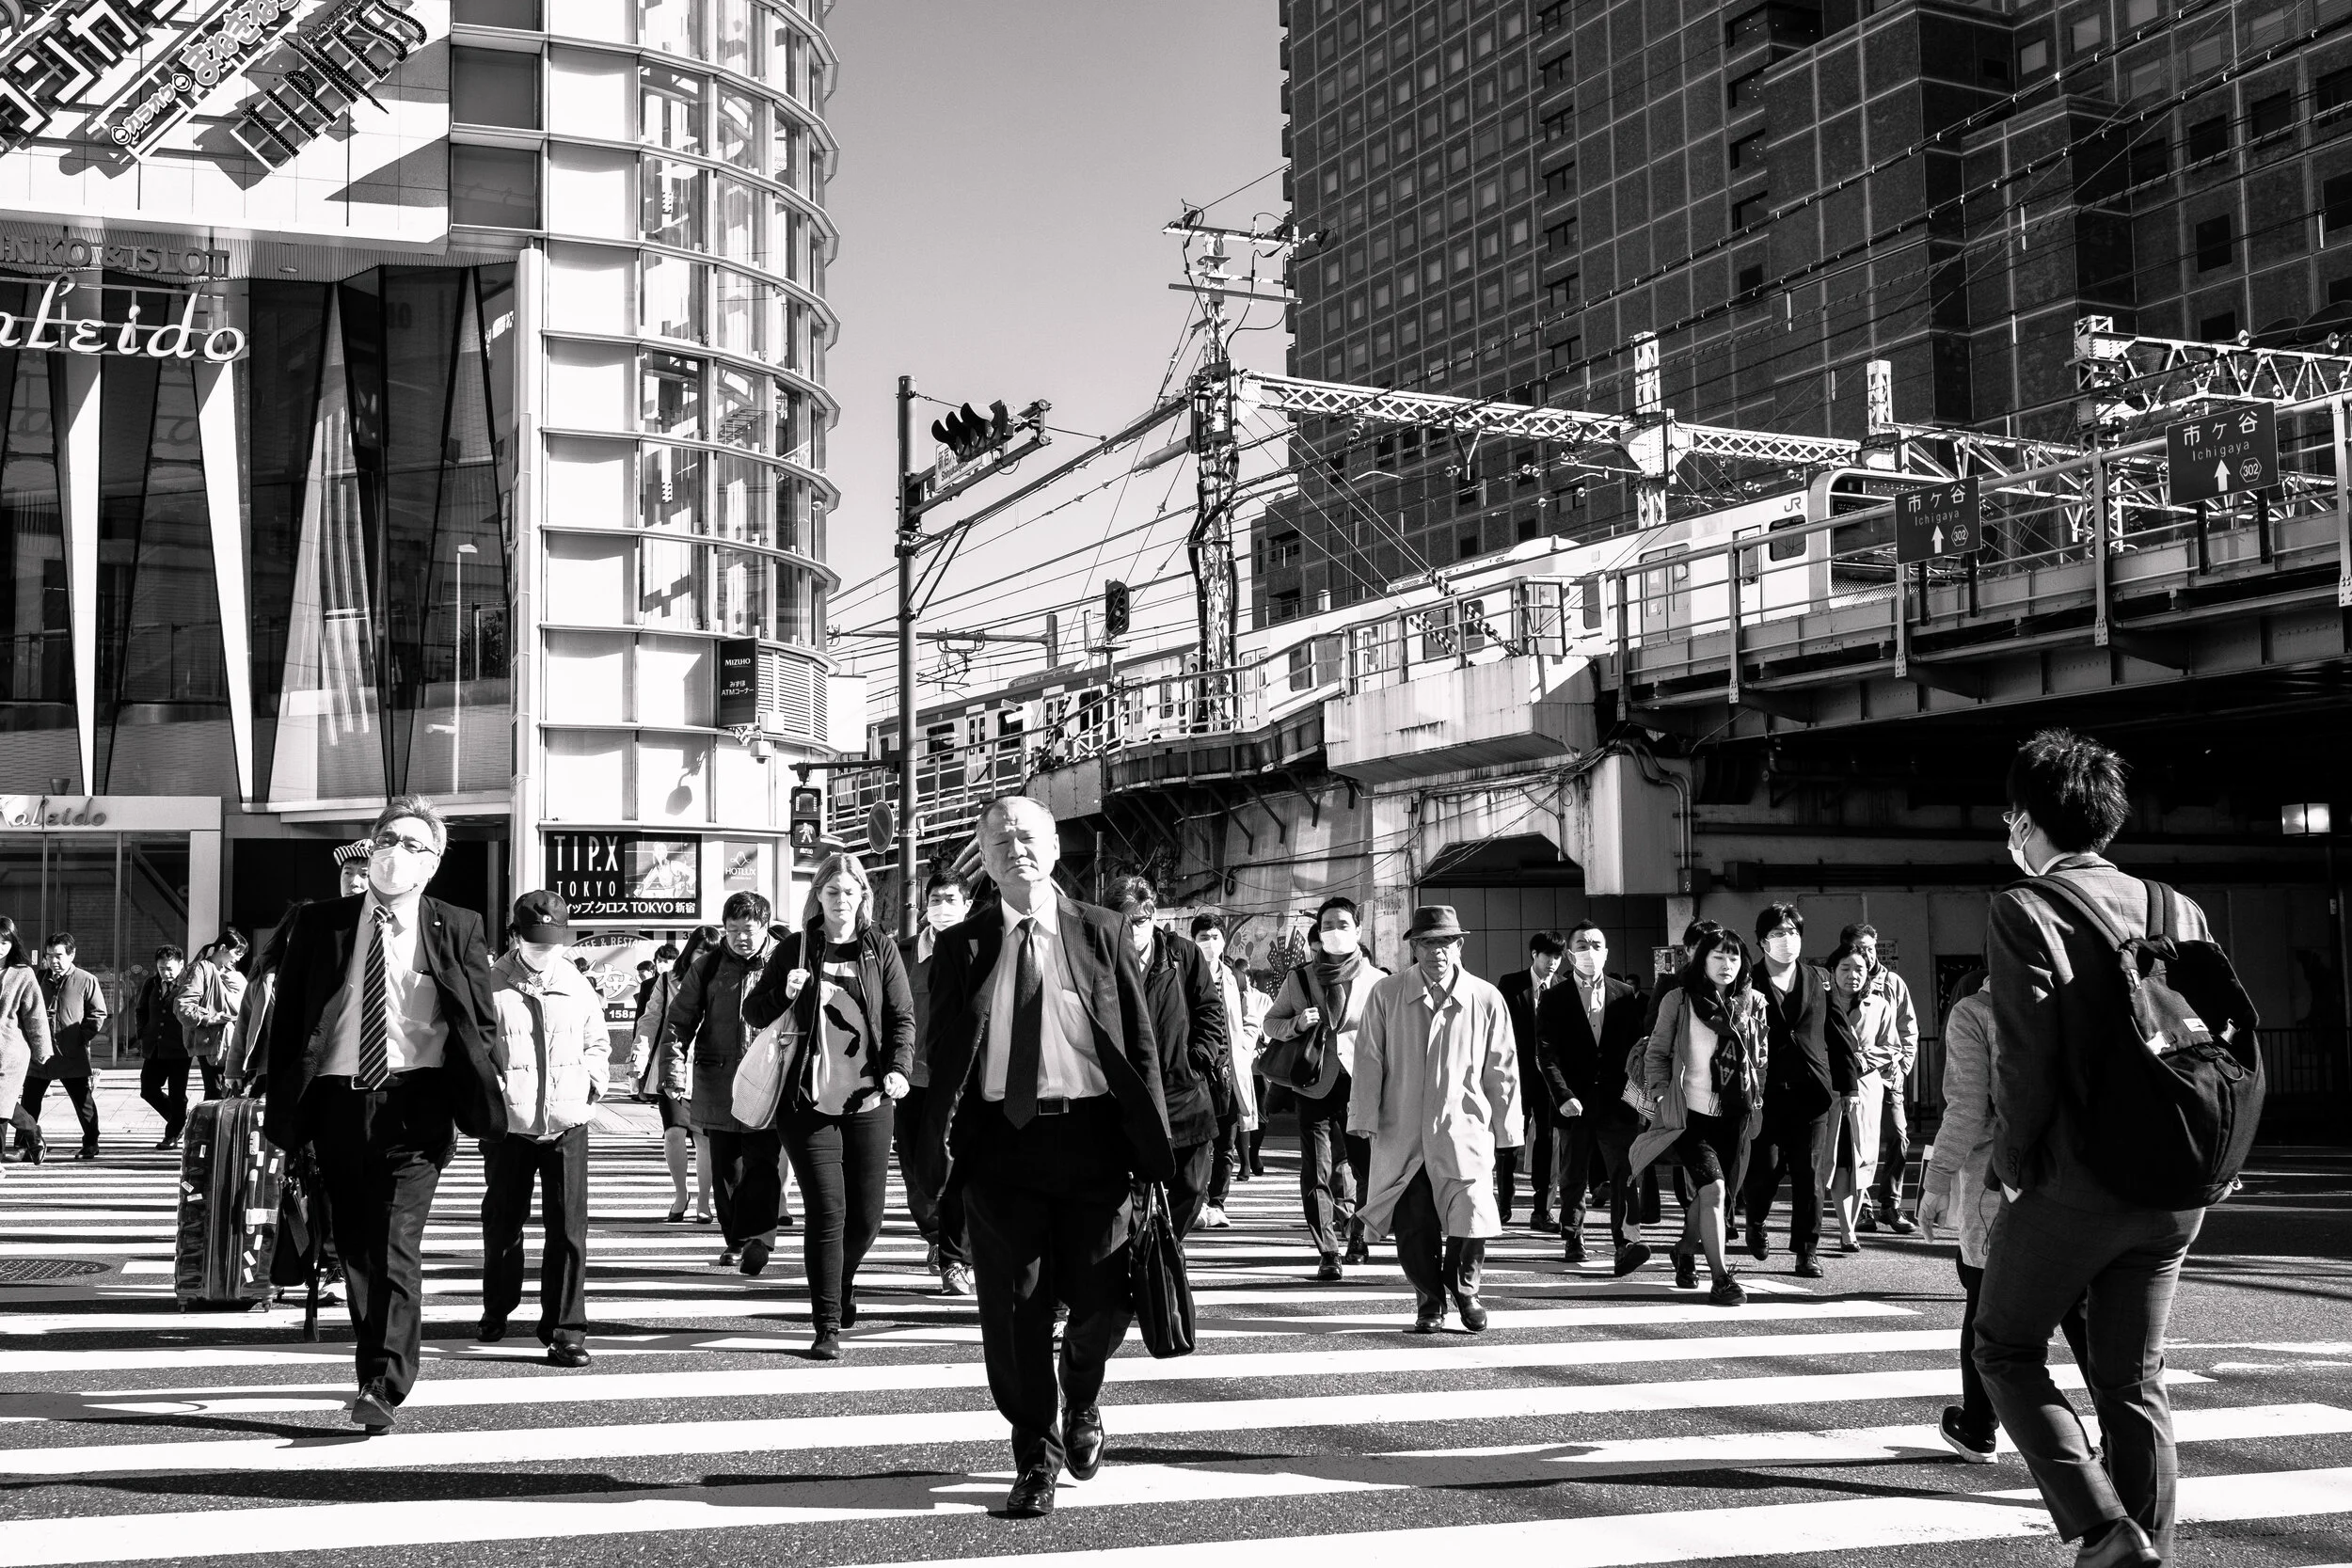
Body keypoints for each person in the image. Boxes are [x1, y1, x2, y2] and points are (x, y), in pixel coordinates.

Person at [1974, 729, 2212, 1568]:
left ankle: (2105, 1528)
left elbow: (2025, 1060)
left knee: (2004, 1345)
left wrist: (2012, 1169)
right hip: (2178, 1180)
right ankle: (2148, 1551)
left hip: (2079, 1182)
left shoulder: (2025, 908)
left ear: (2026, 821)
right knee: (2133, 1377)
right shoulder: (2178, 907)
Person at [918, 795, 1171, 1518]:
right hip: (1002, 1145)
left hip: (1092, 1138)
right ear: (985, 860)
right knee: (1014, 1310)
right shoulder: (963, 946)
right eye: (999, 840)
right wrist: (934, 1159)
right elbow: (944, 1056)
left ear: (1056, 848)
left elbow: (1139, 1043)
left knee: (1105, 1300)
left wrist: (1153, 1150)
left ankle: (1081, 1393)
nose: (1015, 848)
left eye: (1027, 836)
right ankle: (1036, 1453)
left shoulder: (1101, 931)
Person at [261, 795, 504, 1433]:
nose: (397, 852)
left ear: (433, 862)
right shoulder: (321, 923)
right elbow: (290, 1023)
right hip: (337, 1102)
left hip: (416, 1105)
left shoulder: (457, 925)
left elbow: (481, 1021)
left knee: (395, 1243)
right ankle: (373, 1364)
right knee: (356, 1248)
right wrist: (282, 1110)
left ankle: (383, 1381)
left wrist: (485, 1090)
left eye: (413, 844)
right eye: (388, 839)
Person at [740, 854, 914, 1359]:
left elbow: (902, 1016)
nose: (841, 900)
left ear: (864, 896)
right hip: (806, 1100)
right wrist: (783, 992)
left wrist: (899, 1068)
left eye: (850, 891)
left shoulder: (879, 947)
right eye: (832, 891)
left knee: (867, 1219)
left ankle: (843, 1279)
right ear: (818, 895)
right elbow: (754, 1011)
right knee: (826, 1212)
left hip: (870, 1098)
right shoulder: (795, 948)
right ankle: (827, 1324)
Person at [1919, 969, 2094, 1465]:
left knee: (1986, 1308)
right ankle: (2123, 1439)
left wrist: (1935, 1180)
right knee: (2079, 1308)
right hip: (2081, 1176)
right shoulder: (2079, 997)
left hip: (2002, 1179)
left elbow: (1967, 1107)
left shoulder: (1976, 1012)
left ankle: (1980, 1427)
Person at [1349, 905, 1518, 1333]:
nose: (1436, 951)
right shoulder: (1387, 993)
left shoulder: (1485, 997)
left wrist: (1507, 1129)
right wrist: (1363, 1116)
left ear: (1459, 945)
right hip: (1402, 1129)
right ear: (1414, 947)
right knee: (1414, 1222)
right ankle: (1429, 1301)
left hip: (1464, 1127)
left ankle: (1465, 1289)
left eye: (1445, 942)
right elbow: (1368, 1058)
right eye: (1427, 942)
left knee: (1472, 1214)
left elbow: (1502, 1068)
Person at [480, 891, 606, 1368]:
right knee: (503, 1223)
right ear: (515, 937)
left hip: (568, 1120)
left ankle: (566, 1329)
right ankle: (498, 1306)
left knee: (569, 1230)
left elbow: (596, 1040)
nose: (545, 950)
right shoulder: (489, 982)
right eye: (536, 942)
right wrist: (495, 1092)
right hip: (509, 1124)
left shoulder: (576, 982)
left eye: (553, 942)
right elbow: (475, 1048)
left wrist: (592, 1082)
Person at [1629, 927, 1767, 1307]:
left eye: (1734, 957)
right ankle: (1721, 1279)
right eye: (1718, 956)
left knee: (1714, 1195)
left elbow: (1760, 1058)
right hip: (1690, 1114)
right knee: (1714, 1190)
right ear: (1701, 960)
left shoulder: (1752, 1002)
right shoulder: (1679, 999)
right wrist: (1661, 1094)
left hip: (1735, 1114)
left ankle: (1684, 1249)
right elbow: (1657, 1052)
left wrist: (1757, 1096)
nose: (1727, 964)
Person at [1261, 895, 1387, 1279]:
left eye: (1343, 924)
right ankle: (1328, 1251)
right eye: (1327, 925)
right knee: (1316, 1171)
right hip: (1313, 1084)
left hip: (1362, 1087)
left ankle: (1358, 1236)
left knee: (1366, 1169)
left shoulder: (1379, 981)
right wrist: (1297, 1023)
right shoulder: (1300, 978)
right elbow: (1270, 1023)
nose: (1335, 932)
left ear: (1358, 930)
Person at [660, 893, 785, 1271]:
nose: (741, 938)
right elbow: (680, 1020)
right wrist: (673, 1069)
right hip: (718, 1079)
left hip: (768, 1078)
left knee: (763, 1162)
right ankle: (736, 1239)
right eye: (732, 930)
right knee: (727, 1168)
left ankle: (760, 1237)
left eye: (749, 930)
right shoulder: (709, 966)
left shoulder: (784, 961)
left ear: (765, 926)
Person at [1109, 875, 1226, 1239]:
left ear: (1153, 916)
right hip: (1128, 1093)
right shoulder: (1101, 956)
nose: (1131, 930)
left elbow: (1210, 1011)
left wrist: (1199, 1059)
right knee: (1132, 1194)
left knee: (1192, 1187)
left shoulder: (1182, 954)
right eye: (1122, 922)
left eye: (1139, 921)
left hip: (1182, 1089)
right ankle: (1136, 1255)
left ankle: (1165, 1246)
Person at [1740, 904, 1852, 1279]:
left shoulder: (1819, 978)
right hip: (1765, 1093)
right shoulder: (1747, 980)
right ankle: (1756, 1221)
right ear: (1762, 941)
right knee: (1765, 1171)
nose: (1787, 939)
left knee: (1810, 1175)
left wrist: (1848, 1084)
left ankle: (1807, 1250)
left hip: (1812, 1091)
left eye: (1792, 932)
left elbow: (1838, 1032)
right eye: (1778, 933)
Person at [1533, 919, 1645, 1267]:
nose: (1590, 952)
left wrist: (1639, 1095)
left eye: (1596, 945)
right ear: (1570, 955)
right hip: (1573, 1101)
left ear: (1607, 952)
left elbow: (1637, 1050)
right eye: (1582, 946)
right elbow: (1546, 1053)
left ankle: (1626, 1241)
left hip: (1617, 1102)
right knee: (1573, 1174)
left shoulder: (1625, 995)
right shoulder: (1554, 997)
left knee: (1624, 1173)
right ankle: (1573, 1235)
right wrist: (1562, 1095)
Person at [898, 874, 974, 1293]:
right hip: (912, 1078)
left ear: (967, 904)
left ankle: (954, 1255)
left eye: (950, 898)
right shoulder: (904, 952)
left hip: (963, 1080)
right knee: (916, 1168)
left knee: (955, 1166)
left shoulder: (980, 947)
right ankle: (935, 1235)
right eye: (935, 899)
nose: (942, 906)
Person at [1839, 922, 1919, 1233]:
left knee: (1898, 1137)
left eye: (1872, 948)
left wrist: (1904, 1066)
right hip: (1858, 1079)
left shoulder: (1893, 983)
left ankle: (1891, 1204)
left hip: (1889, 1076)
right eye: (1862, 949)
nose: (1869, 954)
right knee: (1859, 1144)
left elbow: (1908, 1029)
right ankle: (1863, 1207)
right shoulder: (1841, 982)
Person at [631, 930, 713, 1224]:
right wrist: (638, 1059)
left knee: (703, 1138)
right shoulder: (668, 980)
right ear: (690, 951)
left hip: (709, 1068)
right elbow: (650, 1019)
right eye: (701, 950)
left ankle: (703, 1200)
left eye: (711, 951)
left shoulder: (724, 979)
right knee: (674, 1132)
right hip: (672, 1065)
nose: (705, 956)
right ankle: (681, 1194)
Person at [1825, 942, 1901, 1253]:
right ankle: (1845, 1229)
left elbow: (1892, 1046)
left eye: (1859, 969)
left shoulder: (1879, 1005)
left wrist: (1861, 1060)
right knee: (1837, 1161)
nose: (1852, 975)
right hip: (1830, 1090)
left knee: (1861, 1161)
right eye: (1845, 968)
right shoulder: (1820, 1002)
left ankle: (1849, 1229)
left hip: (1865, 1091)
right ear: (1833, 971)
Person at [1195, 913, 1265, 1227]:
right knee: (1200, 1143)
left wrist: (1245, 1047)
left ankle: (1217, 1203)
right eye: (1203, 937)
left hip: (1229, 1071)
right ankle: (1197, 1202)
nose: (1210, 943)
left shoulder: (1234, 978)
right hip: (1198, 1071)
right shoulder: (1184, 974)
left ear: (1224, 941)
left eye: (1215, 937)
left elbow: (1252, 1019)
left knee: (1226, 1143)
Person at [1495, 930, 1565, 1231]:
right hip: (1515, 1076)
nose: (1553, 962)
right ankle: (1503, 1205)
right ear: (1534, 955)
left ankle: (1541, 1211)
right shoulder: (1511, 985)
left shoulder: (1563, 988)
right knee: (1509, 1142)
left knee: (1547, 1142)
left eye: (1558, 957)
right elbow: (1498, 1030)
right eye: (1548, 955)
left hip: (1549, 1080)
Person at [28, 933, 107, 1160]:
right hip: (41, 1052)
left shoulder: (85, 979)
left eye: (59, 955)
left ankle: (91, 1143)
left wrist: (80, 1038)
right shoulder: (38, 978)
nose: (53, 961)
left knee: (83, 1102)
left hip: (71, 1052)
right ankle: (27, 1144)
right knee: (30, 1101)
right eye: (49, 955)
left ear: (72, 955)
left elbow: (98, 1014)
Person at [175, 929, 249, 1102]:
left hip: (231, 1041)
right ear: (223, 948)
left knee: (229, 1093)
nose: (238, 959)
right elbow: (183, 1006)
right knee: (216, 1095)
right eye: (237, 953)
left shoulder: (227, 971)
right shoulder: (201, 969)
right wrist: (210, 1019)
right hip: (212, 1043)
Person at [0, 918, 53, 1165]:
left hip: (10, 1049)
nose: (0, 947)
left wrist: (42, 1048)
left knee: (1, 1102)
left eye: (4, 942)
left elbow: (35, 1014)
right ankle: (32, 1133)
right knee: (2, 1102)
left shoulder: (23, 973)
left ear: (13, 944)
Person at [135, 945, 192, 1149]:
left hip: (179, 1048)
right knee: (148, 1089)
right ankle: (180, 1120)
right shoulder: (151, 983)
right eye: (161, 969)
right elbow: (141, 1009)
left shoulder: (188, 984)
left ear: (181, 965)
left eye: (169, 968)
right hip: (155, 1046)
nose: (165, 973)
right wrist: (143, 1032)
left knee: (177, 1094)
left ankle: (173, 1134)